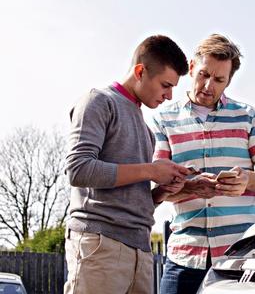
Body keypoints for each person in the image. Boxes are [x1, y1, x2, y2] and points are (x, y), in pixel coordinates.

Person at [151, 34, 255, 294]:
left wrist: (248, 179)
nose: (209, 85)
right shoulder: (163, 119)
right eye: (203, 75)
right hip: (184, 255)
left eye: (219, 79)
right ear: (190, 68)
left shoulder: (248, 116)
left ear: (229, 81)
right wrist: (190, 188)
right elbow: (159, 185)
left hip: (240, 256)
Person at [64, 35, 192, 294]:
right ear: (140, 71)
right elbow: (78, 169)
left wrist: (160, 193)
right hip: (101, 246)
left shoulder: (146, 130)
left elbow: (130, 194)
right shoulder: (99, 101)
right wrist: (152, 170)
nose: (169, 96)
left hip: (141, 251)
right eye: (165, 85)